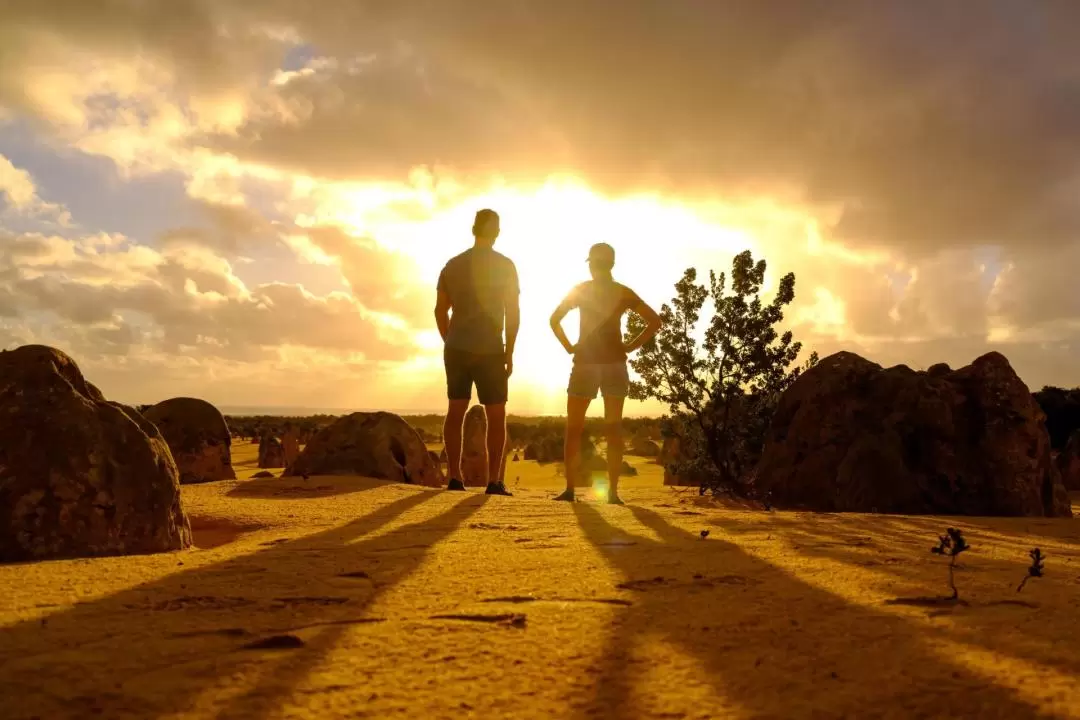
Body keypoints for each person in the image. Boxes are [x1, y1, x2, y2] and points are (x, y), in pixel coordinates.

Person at [549, 242, 662, 504]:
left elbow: (554, 319)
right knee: (614, 429)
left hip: (585, 363)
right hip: (614, 364)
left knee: (574, 429)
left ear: (591, 264)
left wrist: (569, 346)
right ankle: (612, 493)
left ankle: (569, 490)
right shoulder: (622, 292)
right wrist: (630, 346)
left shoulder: (581, 290)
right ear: (611, 264)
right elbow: (655, 321)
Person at [434, 208, 519, 495]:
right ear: (496, 232)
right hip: (491, 349)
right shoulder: (505, 265)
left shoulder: (452, 265)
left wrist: (450, 339)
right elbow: (513, 312)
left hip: (457, 347)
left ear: (473, 229)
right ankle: (494, 481)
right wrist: (510, 351)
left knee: (455, 409)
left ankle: (455, 478)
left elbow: (439, 311)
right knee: (497, 415)